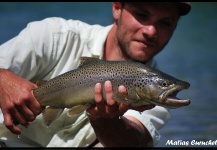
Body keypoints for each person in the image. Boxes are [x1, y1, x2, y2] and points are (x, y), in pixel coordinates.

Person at [0, 2, 191, 147]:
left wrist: (105, 122)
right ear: (117, 8)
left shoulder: (156, 101)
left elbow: (133, 143)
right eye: (141, 15)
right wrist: (3, 79)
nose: (151, 31)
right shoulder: (54, 35)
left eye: (165, 22)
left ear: (174, 28)